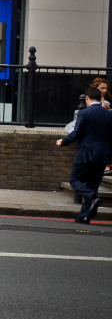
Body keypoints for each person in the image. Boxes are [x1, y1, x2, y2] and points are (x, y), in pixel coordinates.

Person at [58, 86, 112, 223]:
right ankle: (84, 216)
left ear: (87, 98)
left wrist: (63, 142)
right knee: (92, 184)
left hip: (85, 154)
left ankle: (91, 197)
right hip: (102, 156)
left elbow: (76, 134)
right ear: (100, 99)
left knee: (75, 180)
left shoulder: (84, 113)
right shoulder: (109, 115)